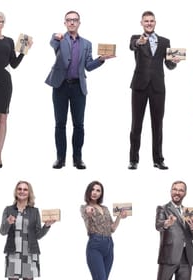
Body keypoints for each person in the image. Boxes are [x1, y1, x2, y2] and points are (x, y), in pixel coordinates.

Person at [45, 11, 114, 170]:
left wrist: (101, 59)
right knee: (60, 124)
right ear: (65, 23)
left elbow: (89, 66)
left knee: (79, 125)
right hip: (60, 86)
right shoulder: (59, 40)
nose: (72, 23)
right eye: (68, 20)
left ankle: (78, 159)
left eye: (75, 20)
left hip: (78, 87)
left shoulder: (87, 44)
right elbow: (52, 42)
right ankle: (60, 159)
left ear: (79, 23)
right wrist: (55, 36)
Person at [0, 181, 55, 280]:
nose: (22, 191)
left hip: (30, 253)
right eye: (19, 189)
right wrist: (7, 222)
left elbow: (37, 235)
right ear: (15, 191)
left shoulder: (34, 211)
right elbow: (2, 231)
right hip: (13, 253)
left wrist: (47, 226)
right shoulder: (8, 210)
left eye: (25, 189)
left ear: (29, 193)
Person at [128, 11, 179, 171]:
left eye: (151, 21)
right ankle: (133, 160)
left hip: (158, 87)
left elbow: (169, 65)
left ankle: (158, 159)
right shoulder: (136, 39)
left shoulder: (165, 41)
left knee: (158, 124)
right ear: (141, 23)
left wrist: (174, 62)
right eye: (146, 21)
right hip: (139, 86)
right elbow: (132, 45)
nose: (149, 23)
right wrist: (139, 42)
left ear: (155, 22)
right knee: (136, 124)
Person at [0, 11, 30, 169]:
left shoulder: (9, 41)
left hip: (5, 82)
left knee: (3, 118)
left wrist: (23, 51)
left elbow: (14, 64)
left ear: (3, 23)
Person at [81, 181, 129, 280]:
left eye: (98, 190)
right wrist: (88, 212)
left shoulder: (106, 208)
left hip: (109, 246)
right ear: (88, 192)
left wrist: (119, 218)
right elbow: (87, 220)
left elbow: (112, 229)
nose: (95, 192)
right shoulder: (84, 208)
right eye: (93, 190)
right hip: (95, 245)